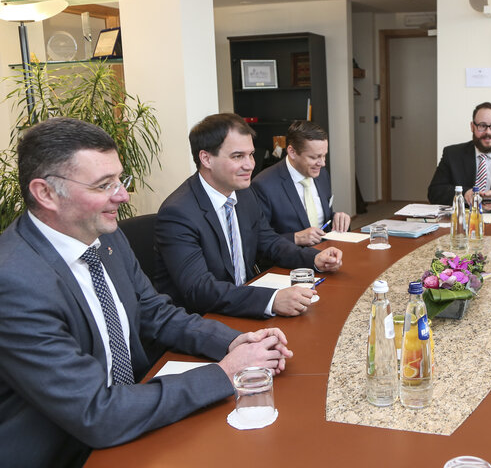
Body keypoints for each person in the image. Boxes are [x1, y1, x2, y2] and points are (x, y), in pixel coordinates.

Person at [0, 118, 292, 467]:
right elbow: (97, 414)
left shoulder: (104, 235)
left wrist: (233, 343)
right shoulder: (14, 282)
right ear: (45, 193)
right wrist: (225, 373)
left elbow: (155, 311)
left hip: (135, 411)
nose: (123, 195)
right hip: (68, 450)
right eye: (103, 185)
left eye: (119, 180)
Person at [154, 113, 342, 319]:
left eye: (251, 154)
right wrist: (271, 300)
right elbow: (199, 289)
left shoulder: (244, 193)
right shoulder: (178, 213)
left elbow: (269, 241)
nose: (250, 164)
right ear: (206, 158)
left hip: (245, 302)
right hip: (205, 319)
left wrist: (314, 258)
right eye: (238, 156)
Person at [252, 120, 350, 246]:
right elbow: (258, 240)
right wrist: (295, 238)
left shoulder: (322, 174)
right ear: (292, 152)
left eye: (324, 156)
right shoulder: (263, 185)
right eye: (314, 157)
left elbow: (323, 217)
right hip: (290, 261)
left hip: (327, 251)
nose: (322, 163)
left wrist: (336, 217)